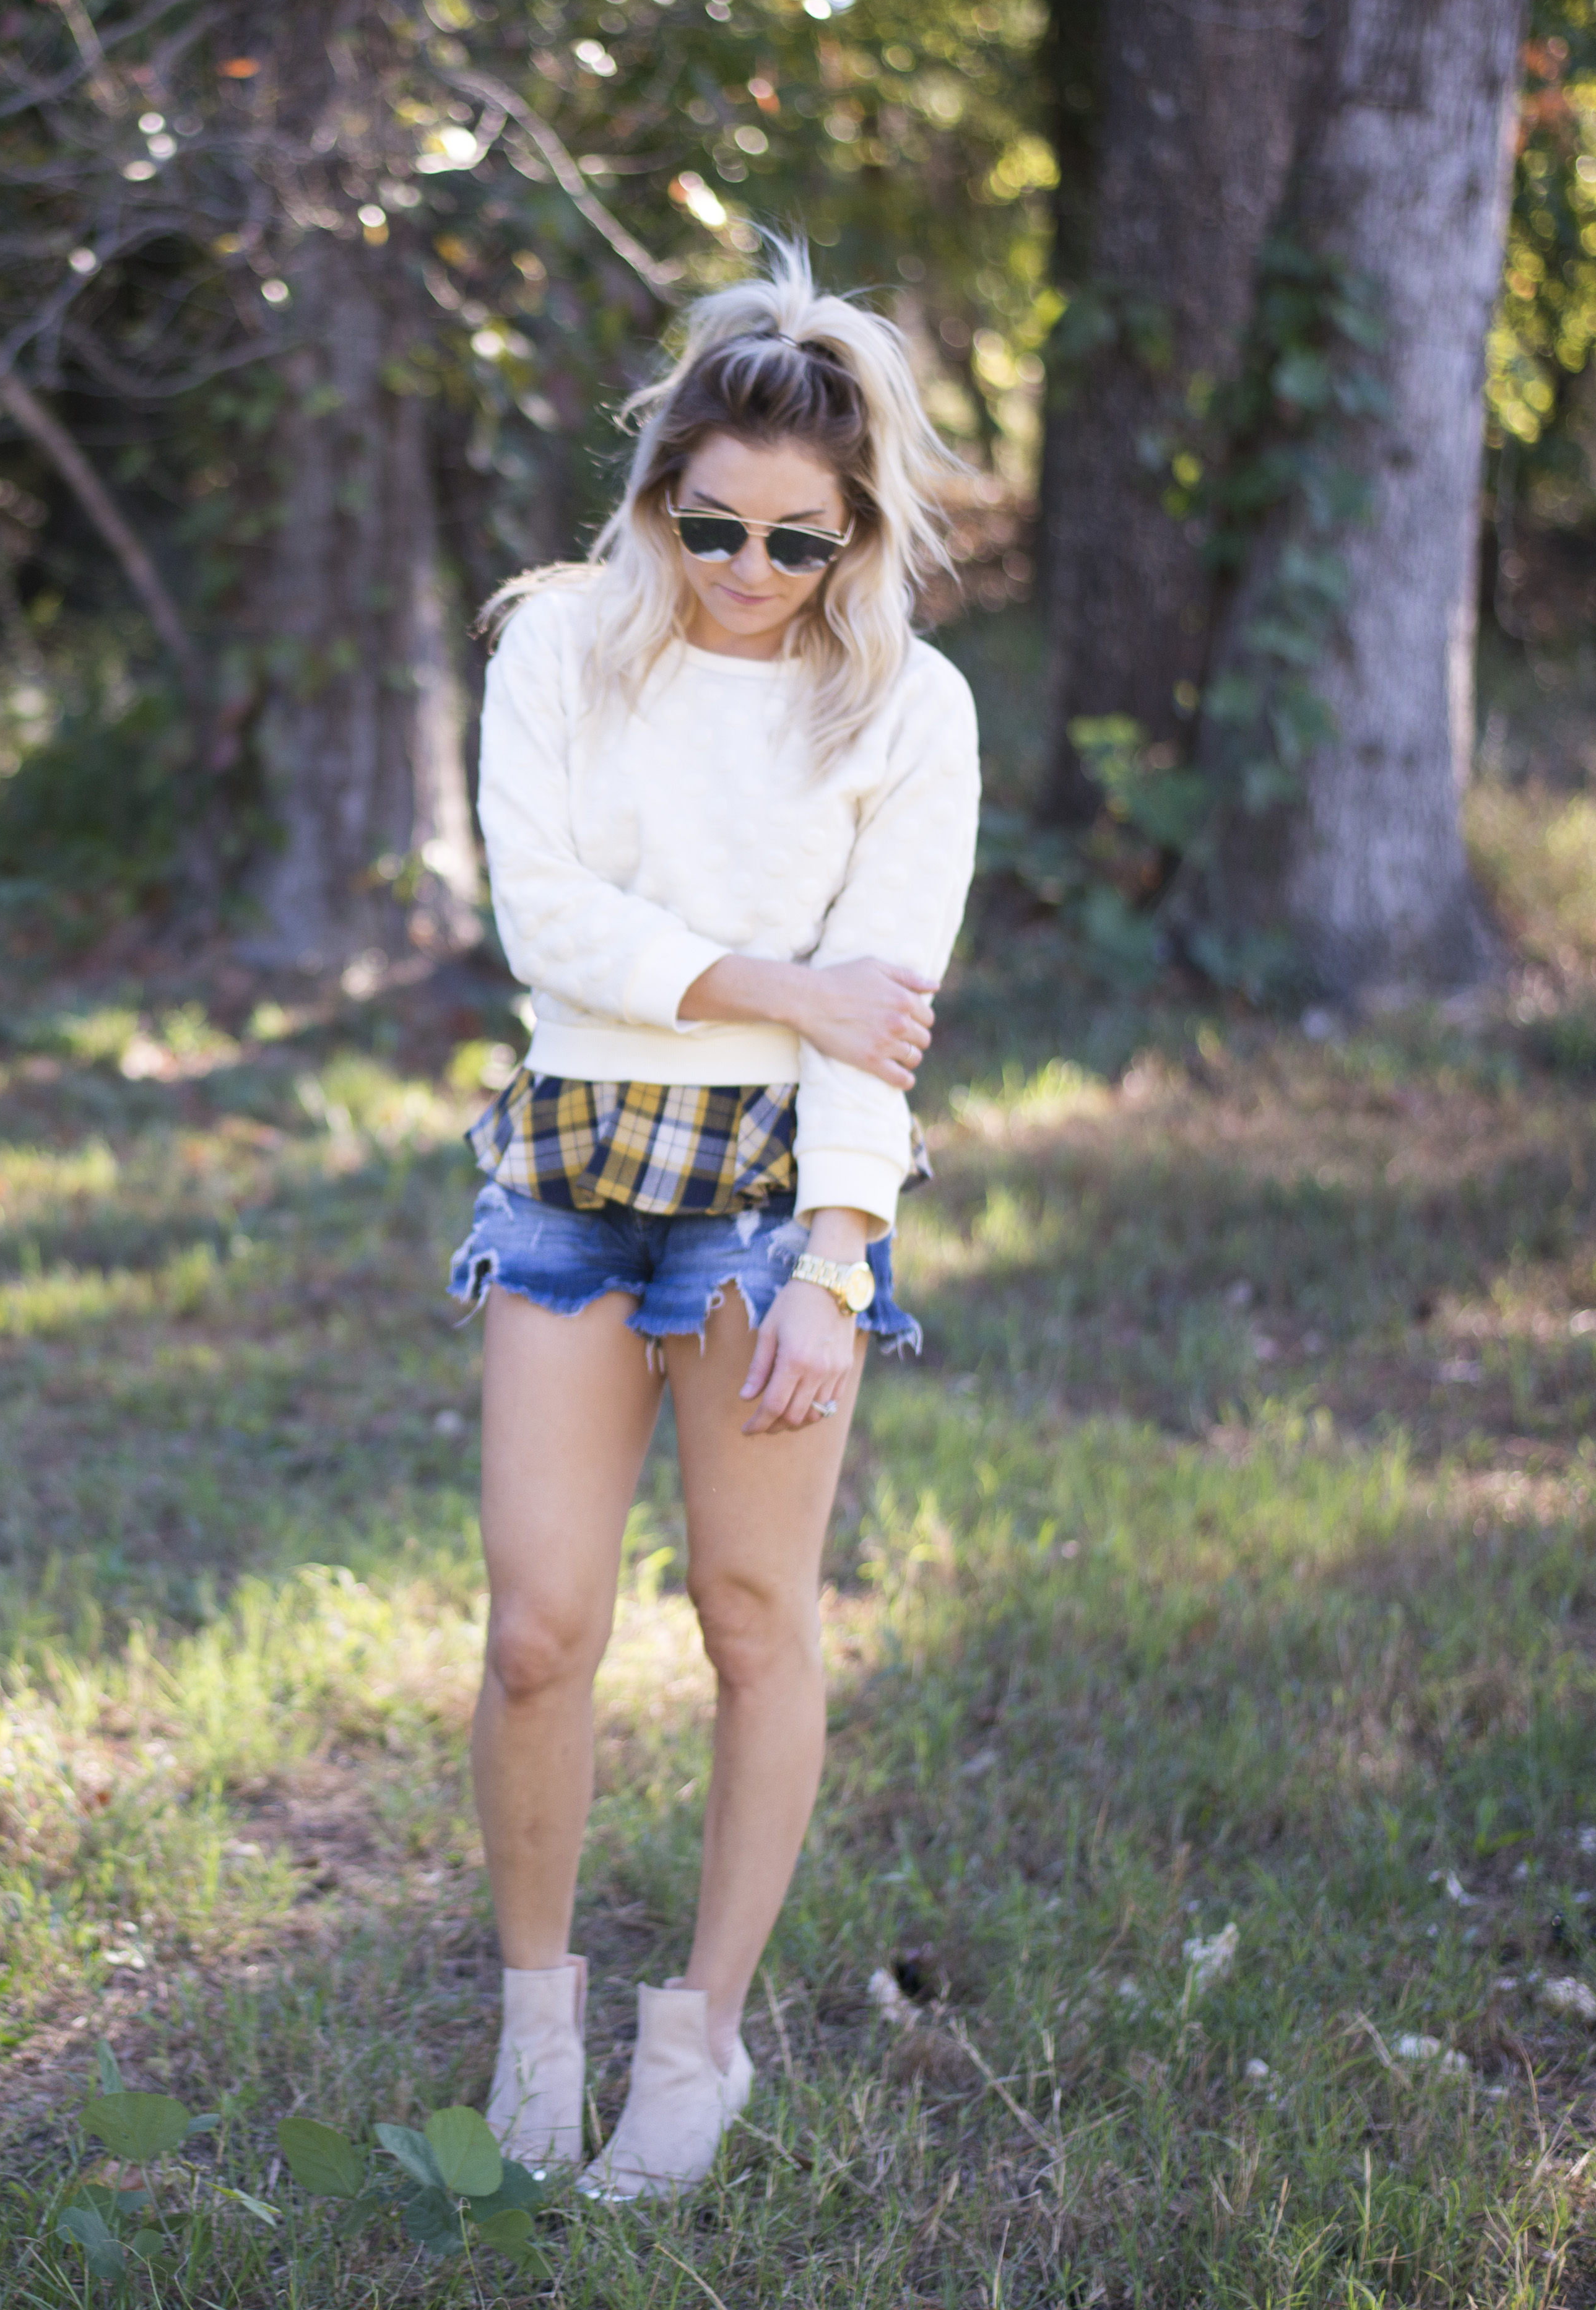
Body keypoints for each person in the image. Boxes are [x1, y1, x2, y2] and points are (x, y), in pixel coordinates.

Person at [451, 243, 980, 2200]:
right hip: (578, 1168)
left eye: (798, 544)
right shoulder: (561, 646)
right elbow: (551, 936)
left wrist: (839, 1264)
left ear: (856, 535)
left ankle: (701, 2040)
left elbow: (884, 1018)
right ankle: (537, 2022)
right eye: (715, 527)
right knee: (540, 1627)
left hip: (777, 1195)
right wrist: (791, 977)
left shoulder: (909, 712)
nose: (751, 573)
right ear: (660, 488)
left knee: (753, 1619)